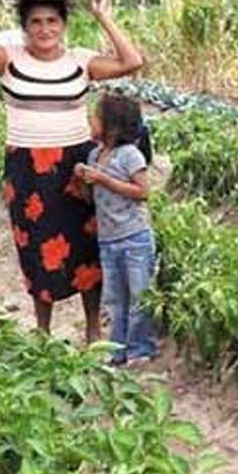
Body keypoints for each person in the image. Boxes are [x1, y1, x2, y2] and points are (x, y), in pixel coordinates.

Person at [0, 0, 144, 341]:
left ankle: (93, 331)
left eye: (52, 20)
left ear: (63, 25)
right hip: (26, 167)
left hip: (76, 166)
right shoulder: (8, 60)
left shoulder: (81, 62)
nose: (44, 29)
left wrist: (101, 13)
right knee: (34, 249)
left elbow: (132, 61)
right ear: (25, 27)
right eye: (36, 22)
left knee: (85, 247)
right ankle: (43, 332)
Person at [75, 93, 158, 366]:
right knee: (115, 300)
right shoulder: (95, 155)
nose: (91, 121)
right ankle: (118, 350)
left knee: (139, 296)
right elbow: (90, 199)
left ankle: (140, 349)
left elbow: (143, 192)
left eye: (96, 117)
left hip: (134, 237)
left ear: (111, 126)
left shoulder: (130, 155)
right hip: (108, 239)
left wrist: (103, 179)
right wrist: (82, 181)